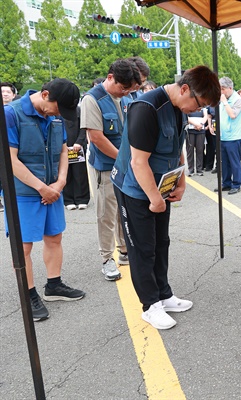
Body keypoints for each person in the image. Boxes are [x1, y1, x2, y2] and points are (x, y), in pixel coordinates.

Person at [111, 65, 221, 330]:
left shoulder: (177, 106)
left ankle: (164, 293)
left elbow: (177, 147)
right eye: (198, 104)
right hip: (135, 189)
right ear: (185, 89)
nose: (195, 111)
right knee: (142, 248)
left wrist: (181, 182)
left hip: (161, 186)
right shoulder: (146, 108)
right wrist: (154, 198)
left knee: (162, 242)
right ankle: (150, 305)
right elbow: (138, 163)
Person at [3, 78, 85, 321]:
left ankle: (54, 285)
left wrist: (60, 183)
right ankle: (28, 295)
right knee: (23, 246)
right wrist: (42, 187)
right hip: (24, 192)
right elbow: (10, 160)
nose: (59, 114)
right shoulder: (11, 114)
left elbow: (62, 150)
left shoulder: (55, 116)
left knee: (54, 237)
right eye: (59, 107)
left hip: (52, 189)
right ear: (45, 94)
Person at [80, 58, 142, 281]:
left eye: (129, 89)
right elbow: (96, 138)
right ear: (110, 78)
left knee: (123, 209)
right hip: (106, 166)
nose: (126, 92)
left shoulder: (125, 97)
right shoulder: (92, 99)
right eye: (122, 87)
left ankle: (124, 250)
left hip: (126, 165)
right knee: (106, 213)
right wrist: (123, 159)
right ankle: (107, 258)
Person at [214, 77, 241, 195]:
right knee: (224, 162)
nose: (221, 92)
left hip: (233, 137)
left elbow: (232, 115)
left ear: (230, 88)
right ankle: (226, 183)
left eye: (223, 89)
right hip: (223, 136)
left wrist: (225, 102)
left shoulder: (237, 100)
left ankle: (237, 184)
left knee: (234, 162)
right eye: (220, 89)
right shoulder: (222, 100)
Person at [63, 104, 90, 210]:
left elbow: (84, 128)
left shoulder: (78, 110)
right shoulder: (56, 110)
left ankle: (82, 199)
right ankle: (68, 199)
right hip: (63, 148)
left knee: (80, 173)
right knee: (66, 173)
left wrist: (79, 142)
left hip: (77, 147)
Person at [1, 82, 19, 213]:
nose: (5, 94)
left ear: (14, 95)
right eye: (2, 91)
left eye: (8, 92)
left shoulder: (17, 112)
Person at [184, 107, 211, 177]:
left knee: (200, 150)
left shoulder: (203, 107)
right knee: (190, 151)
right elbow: (186, 117)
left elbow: (206, 116)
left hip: (201, 131)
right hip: (190, 131)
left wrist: (201, 124)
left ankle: (199, 169)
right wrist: (196, 124)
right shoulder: (189, 105)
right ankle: (191, 169)